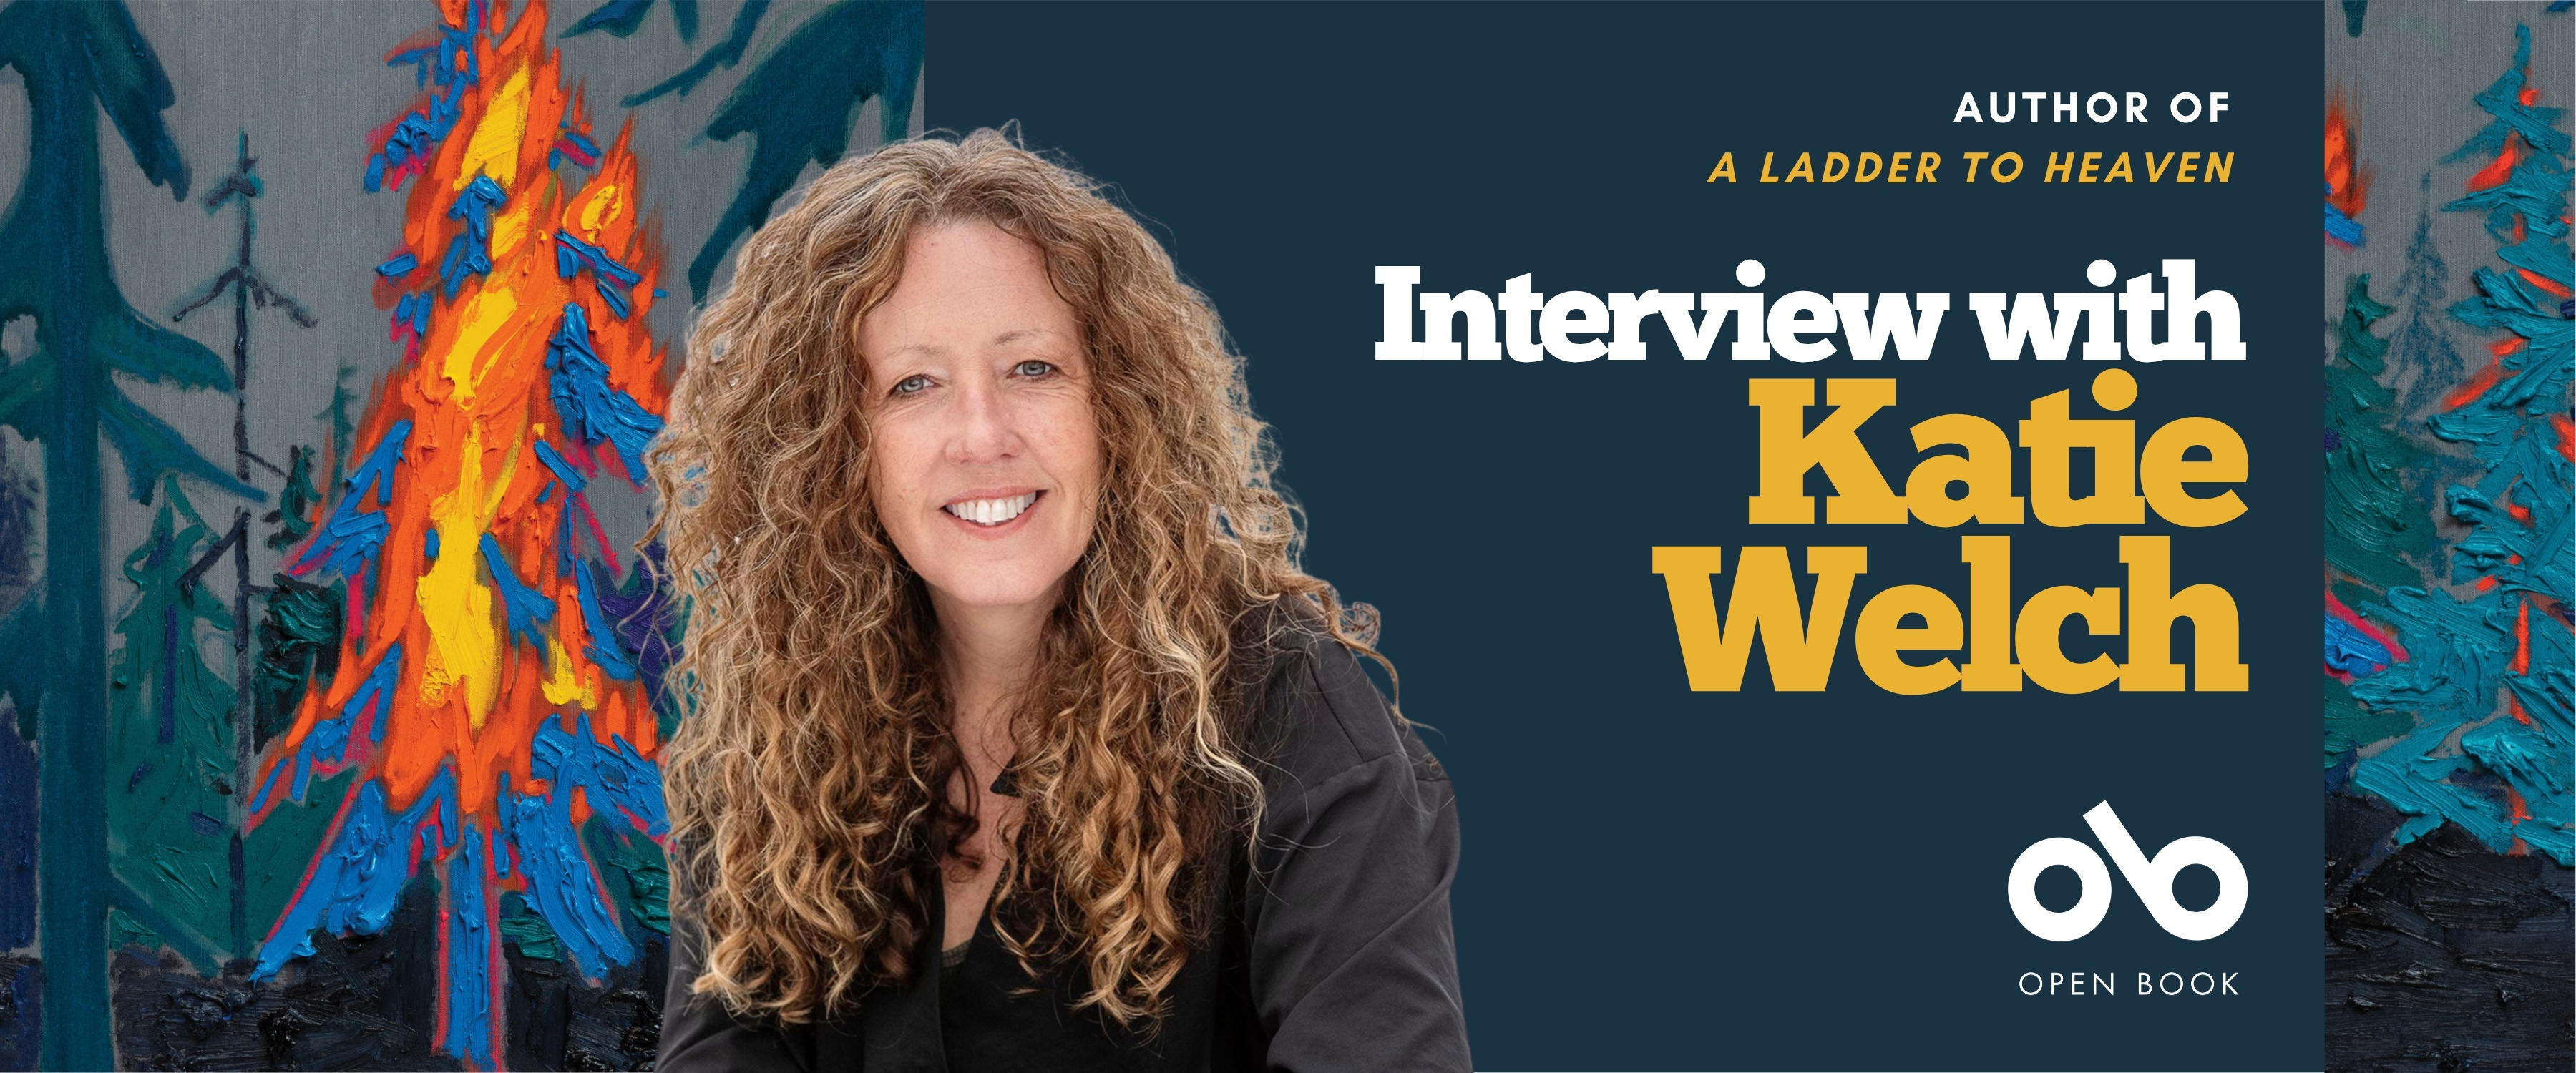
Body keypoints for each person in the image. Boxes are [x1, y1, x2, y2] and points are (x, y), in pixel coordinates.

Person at [645, 129, 1468, 1072]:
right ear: (834, 450)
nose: (982, 434)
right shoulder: (778, 751)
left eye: (1032, 368)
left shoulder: (1287, 715)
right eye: (913, 384)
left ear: (1115, 406)